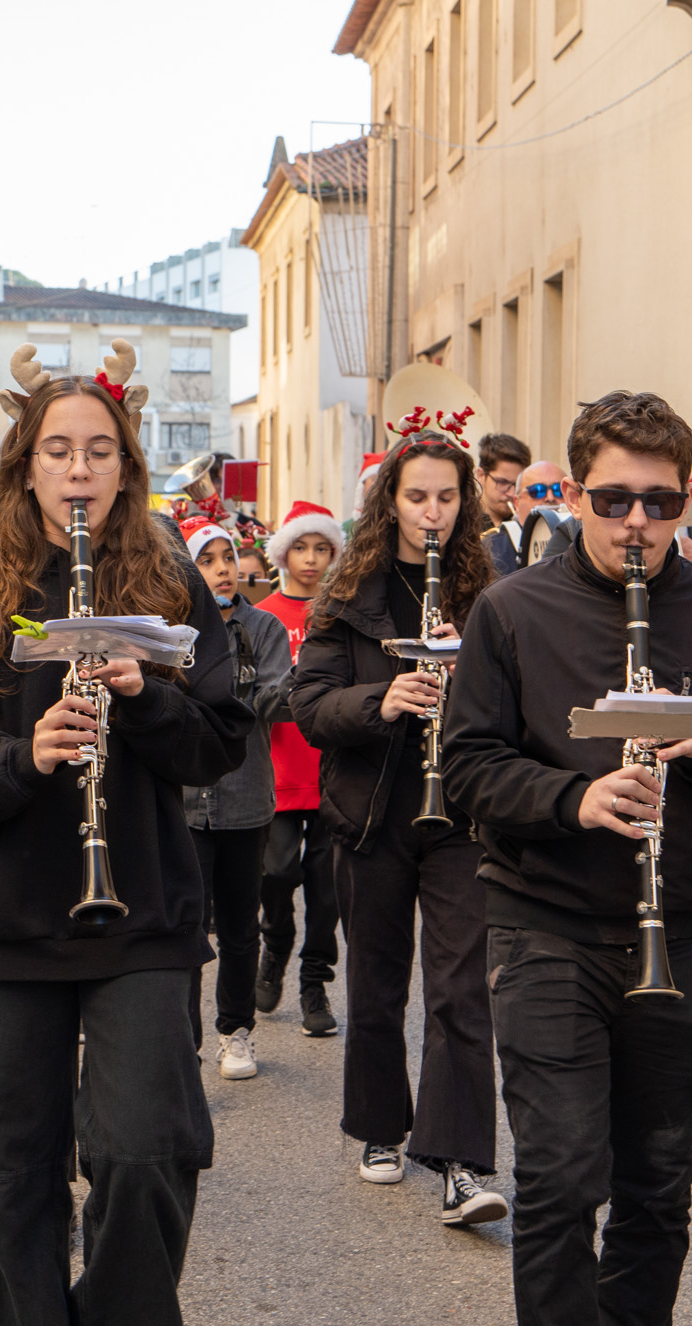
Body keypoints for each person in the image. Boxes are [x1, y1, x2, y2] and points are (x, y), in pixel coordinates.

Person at [441, 389, 692, 1326]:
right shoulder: (510, 611)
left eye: (656, 502)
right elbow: (467, 765)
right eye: (611, 501)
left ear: (684, 498)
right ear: (577, 495)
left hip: (678, 934)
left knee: (657, 1184)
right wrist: (575, 800)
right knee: (561, 1180)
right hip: (544, 924)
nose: (635, 523)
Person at [0, 343, 250, 1326]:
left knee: (147, 1153)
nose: (80, 469)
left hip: (140, 909)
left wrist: (145, 698)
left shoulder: (173, 580)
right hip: (9, 917)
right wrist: (24, 755)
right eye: (58, 450)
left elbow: (221, 741)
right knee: (13, 1178)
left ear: (126, 466)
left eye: (99, 450)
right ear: (27, 465)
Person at [288, 412, 509, 1227]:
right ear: (391, 503)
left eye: (447, 497)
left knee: (460, 988)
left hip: (459, 813)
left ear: (464, 505)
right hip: (373, 812)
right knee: (378, 985)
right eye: (417, 496)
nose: (432, 512)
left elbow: (521, 707)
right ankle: (380, 1127)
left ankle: (462, 1160)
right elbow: (305, 706)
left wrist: (471, 664)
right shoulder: (347, 596)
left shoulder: (490, 593)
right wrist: (383, 697)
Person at [180, 515, 292, 1078]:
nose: (223, 569)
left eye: (228, 557)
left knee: (242, 926)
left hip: (247, 798)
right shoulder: (175, 628)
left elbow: (274, 697)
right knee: (188, 925)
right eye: (207, 559)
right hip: (185, 801)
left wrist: (289, 688)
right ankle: (187, 1041)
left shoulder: (264, 627)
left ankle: (236, 1030)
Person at [254, 500, 345, 1036]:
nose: (310, 559)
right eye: (301, 547)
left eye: (321, 549)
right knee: (276, 872)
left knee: (326, 887)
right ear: (283, 552)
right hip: (278, 772)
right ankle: (274, 947)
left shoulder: (339, 614)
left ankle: (315, 982)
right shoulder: (263, 615)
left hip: (333, 771)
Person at [476, 433, 530, 574]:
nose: (512, 493)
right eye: (502, 482)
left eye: (517, 484)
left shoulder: (527, 525)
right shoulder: (463, 522)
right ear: (481, 476)